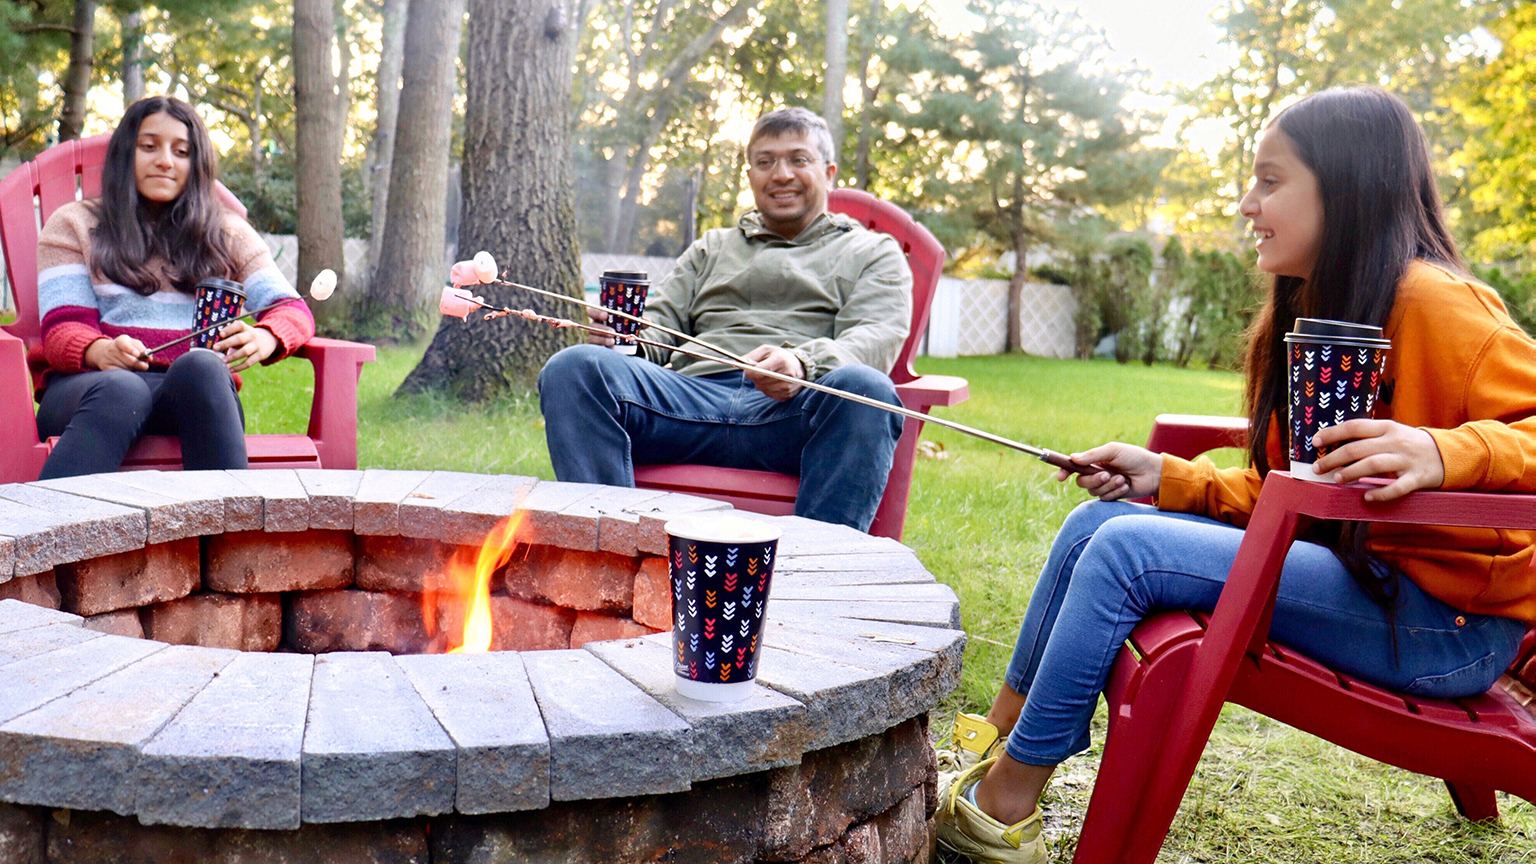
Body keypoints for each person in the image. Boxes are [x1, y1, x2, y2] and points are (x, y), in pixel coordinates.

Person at [933, 86, 1536, 863]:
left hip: (1447, 628)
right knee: (1093, 526)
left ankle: (999, 811)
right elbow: (1291, 491)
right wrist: (1166, 477)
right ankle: (995, 743)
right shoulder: (1320, 311)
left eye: (1270, 181)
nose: (1248, 204)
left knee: (1124, 552)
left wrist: (1445, 452)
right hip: (1368, 582)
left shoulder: (1441, 304)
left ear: (1347, 188)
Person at [538, 108, 911, 531]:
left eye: (798, 159)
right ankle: (611, 552)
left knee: (866, 391)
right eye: (765, 162)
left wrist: (803, 365)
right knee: (575, 367)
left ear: (829, 174)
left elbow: (875, 336)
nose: (781, 174)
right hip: (686, 403)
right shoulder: (712, 248)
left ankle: (815, 565)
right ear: (750, 175)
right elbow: (660, 324)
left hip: (793, 415)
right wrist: (623, 337)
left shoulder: (872, 252)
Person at [33, 96, 314, 480]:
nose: (165, 161)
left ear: (196, 164)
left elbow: (292, 308)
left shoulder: (226, 233)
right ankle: (49, 518)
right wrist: (101, 350)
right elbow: (62, 330)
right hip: (89, 393)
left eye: (181, 152)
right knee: (123, 388)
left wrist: (267, 337)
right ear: (125, 154)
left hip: (188, 397)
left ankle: (225, 518)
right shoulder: (74, 225)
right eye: (149, 147)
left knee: (202, 366)